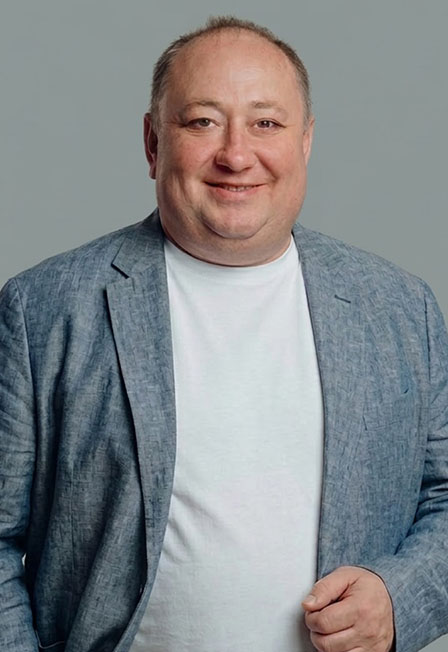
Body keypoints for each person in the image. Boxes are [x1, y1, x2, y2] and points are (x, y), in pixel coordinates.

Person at [0, 15, 447, 652]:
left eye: (266, 123)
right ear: (153, 143)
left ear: (305, 142)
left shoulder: (400, 308)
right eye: (203, 121)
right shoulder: (44, 309)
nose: (236, 155)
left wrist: (400, 598)